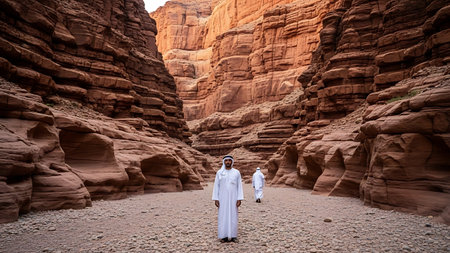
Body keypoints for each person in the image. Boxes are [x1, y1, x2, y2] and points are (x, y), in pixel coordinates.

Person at [212, 155, 244, 243]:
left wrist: (239, 198)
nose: (228, 162)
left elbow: (239, 186)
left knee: (233, 215)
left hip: (234, 198)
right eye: (226, 161)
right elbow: (216, 186)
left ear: (232, 162)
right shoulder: (219, 173)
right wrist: (216, 198)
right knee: (223, 216)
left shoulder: (236, 172)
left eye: (230, 160)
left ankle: (233, 236)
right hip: (222, 198)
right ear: (224, 162)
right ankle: (223, 236)